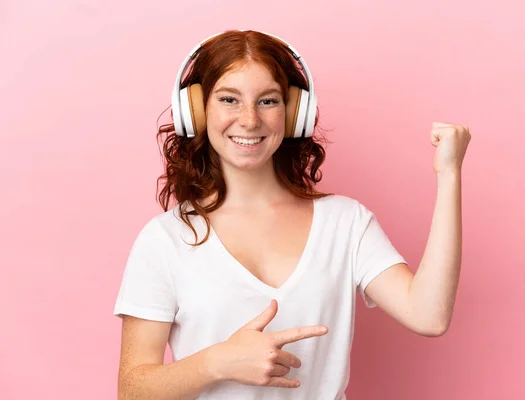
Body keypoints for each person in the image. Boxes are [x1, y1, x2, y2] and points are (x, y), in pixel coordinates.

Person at [113, 29, 471, 400]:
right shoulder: (165, 239)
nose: (249, 120)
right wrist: (218, 362)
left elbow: (429, 315)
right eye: (229, 99)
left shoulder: (345, 223)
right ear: (197, 110)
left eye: (267, 101)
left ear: (295, 112)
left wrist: (450, 174)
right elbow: (132, 391)